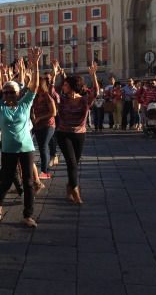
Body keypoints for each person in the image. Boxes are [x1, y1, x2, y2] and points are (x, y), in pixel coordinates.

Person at [0, 47, 41, 228]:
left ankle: (28, 216)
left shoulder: (25, 104)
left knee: (28, 182)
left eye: (12, 92)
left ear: (18, 93)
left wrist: (35, 65)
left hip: (27, 148)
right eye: (6, 92)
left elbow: (34, 87)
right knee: (7, 179)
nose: (9, 94)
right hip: (9, 149)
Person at [52, 62, 99, 205]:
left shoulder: (85, 99)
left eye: (66, 85)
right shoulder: (62, 99)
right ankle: (76, 192)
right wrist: (54, 75)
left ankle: (69, 187)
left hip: (80, 134)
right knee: (71, 163)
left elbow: (96, 91)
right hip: (63, 133)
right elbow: (51, 92)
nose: (63, 87)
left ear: (72, 86)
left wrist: (94, 75)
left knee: (74, 163)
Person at [31, 71, 56, 180]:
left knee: (44, 146)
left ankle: (46, 171)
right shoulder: (35, 97)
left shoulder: (47, 97)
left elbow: (54, 112)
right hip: (38, 125)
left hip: (48, 124)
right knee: (41, 147)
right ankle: (45, 170)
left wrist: (40, 118)